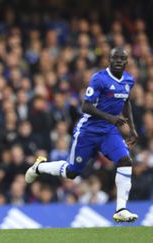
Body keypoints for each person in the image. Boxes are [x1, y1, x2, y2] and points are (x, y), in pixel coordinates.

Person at [25, 47, 139, 223]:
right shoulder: (99, 79)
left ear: (126, 61)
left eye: (122, 58)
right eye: (115, 58)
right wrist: (111, 117)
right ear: (109, 59)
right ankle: (40, 167)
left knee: (125, 160)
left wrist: (131, 128)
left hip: (109, 132)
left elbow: (126, 102)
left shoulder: (129, 80)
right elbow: (86, 107)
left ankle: (121, 209)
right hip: (88, 131)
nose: (118, 61)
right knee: (72, 172)